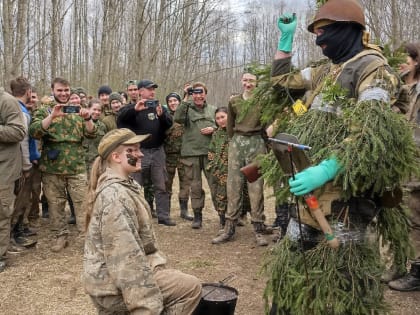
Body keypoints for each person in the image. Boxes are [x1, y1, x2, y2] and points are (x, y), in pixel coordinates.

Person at [264, 1, 418, 314]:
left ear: (347, 30)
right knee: (296, 257)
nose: (319, 40)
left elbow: (372, 132)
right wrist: (284, 43)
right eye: (315, 33)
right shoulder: (326, 70)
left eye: (324, 32)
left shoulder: (374, 69)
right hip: (310, 192)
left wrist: (329, 168)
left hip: (348, 196)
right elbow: (282, 83)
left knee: (345, 274)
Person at [83, 128, 201, 314]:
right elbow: (126, 259)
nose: (141, 154)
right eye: (134, 150)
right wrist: (146, 307)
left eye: (139, 149)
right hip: (110, 287)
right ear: (116, 157)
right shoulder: (115, 197)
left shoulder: (127, 185)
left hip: (115, 277)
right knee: (190, 287)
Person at [29, 77, 96, 252]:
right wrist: (52, 115)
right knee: (55, 203)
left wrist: (88, 118)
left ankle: (86, 236)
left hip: (76, 165)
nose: (64, 93)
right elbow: (34, 131)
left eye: (66, 90)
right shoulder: (44, 110)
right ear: (53, 90)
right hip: (52, 166)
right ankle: (61, 236)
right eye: (59, 90)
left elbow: (91, 134)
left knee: (82, 203)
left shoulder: (78, 110)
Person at [212, 71, 269, 246]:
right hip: (237, 143)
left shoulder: (262, 100)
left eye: (251, 80)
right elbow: (230, 125)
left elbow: (267, 123)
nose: (248, 84)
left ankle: (258, 228)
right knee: (233, 185)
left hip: (256, 142)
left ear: (257, 82)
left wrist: (265, 146)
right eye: (245, 80)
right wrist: (233, 143)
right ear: (241, 81)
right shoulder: (234, 101)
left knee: (256, 186)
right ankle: (229, 227)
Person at [117, 80, 175, 226]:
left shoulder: (159, 107)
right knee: (135, 185)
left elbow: (169, 124)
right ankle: (133, 216)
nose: (152, 92)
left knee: (161, 185)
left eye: (153, 89)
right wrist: (135, 110)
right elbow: (120, 120)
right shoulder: (132, 108)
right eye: (149, 89)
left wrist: (162, 116)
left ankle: (163, 216)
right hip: (138, 152)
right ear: (140, 91)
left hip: (157, 151)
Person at [388, 42, 420, 291]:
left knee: (415, 218)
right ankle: (397, 264)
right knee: (396, 215)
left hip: (415, 164)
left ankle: (417, 271)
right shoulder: (394, 90)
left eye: (405, 58)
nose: (400, 62)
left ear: (416, 61)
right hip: (395, 164)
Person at [174, 82, 217, 229]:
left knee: (215, 185)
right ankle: (197, 216)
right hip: (191, 155)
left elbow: (223, 125)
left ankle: (223, 215)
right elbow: (177, 118)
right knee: (195, 187)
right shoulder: (186, 109)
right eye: (195, 93)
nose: (198, 96)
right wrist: (185, 97)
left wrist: (214, 128)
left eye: (201, 93)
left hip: (210, 153)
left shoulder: (213, 110)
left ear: (205, 94)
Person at [9, 77, 38, 249]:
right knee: (18, 202)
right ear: (28, 92)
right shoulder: (21, 113)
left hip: (18, 163)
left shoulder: (16, 109)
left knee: (23, 201)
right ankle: (11, 236)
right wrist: (26, 166)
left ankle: (19, 230)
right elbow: (23, 142)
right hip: (20, 165)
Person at [0, 86, 26, 272]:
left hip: (4, 168)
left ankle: (0, 255)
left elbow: (18, 131)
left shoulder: (7, 101)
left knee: (1, 211)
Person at [164, 92, 193, 221]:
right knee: (166, 184)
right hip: (168, 155)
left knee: (185, 183)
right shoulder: (164, 117)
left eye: (175, 100)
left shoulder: (185, 116)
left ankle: (184, 210)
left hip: (184, 155)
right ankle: (166, 210)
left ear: (179, 102)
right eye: (170, 101)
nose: (173, 103)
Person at [207, 106, 229, 232]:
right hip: (219, 171)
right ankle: (222, 220)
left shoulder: (235, 132)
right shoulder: (216, 133)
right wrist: (213, 166)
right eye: (217, 118)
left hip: (233, 170)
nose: (220, 120)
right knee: (220, 195)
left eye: (223, 117)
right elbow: (211, 151)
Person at [83, 99, 107, 180]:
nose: (96, 112)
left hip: (97, 163)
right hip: (82, 163)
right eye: (94, 109)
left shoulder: (103, 126)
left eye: (99, 110)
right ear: (88, 109)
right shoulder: (81, 123)